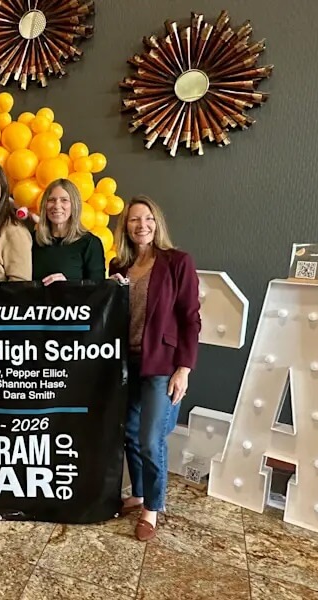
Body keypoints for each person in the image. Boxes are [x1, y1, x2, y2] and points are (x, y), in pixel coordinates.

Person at [109, 195, 201, 541]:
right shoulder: (118, 267)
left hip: (162, 364)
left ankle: (153, 507)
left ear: (156, 222)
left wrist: (184, 369)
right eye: (134, 220)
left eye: (147, 218)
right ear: (126, 226)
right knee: (130, 434)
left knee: (150, 439)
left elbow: (190, 319)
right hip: (126, 362)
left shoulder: (178, 262)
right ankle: (139, 493)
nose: (141, 225)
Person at [32, 178, 105, 284]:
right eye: (51, 200)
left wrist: (69, 286)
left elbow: (98, 291)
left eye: (64, 200)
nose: (57, 206)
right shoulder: (32, 240)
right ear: (44, 205)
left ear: (74, 205)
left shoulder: (90, 243)